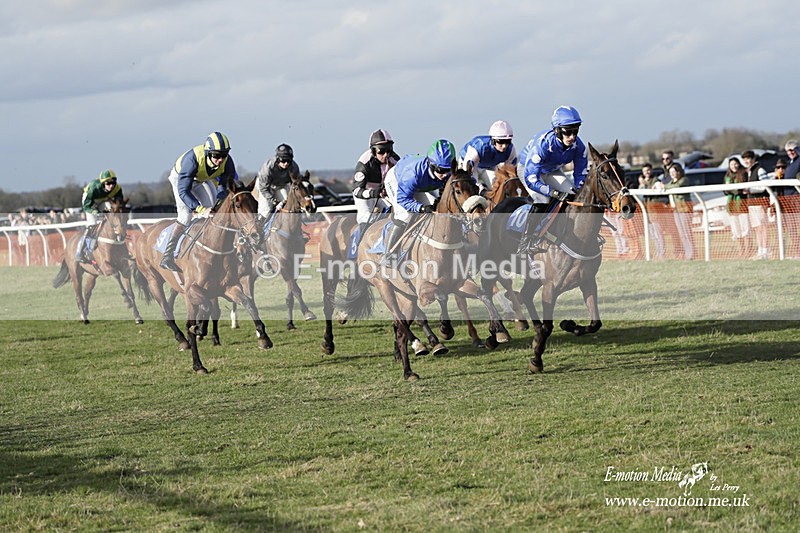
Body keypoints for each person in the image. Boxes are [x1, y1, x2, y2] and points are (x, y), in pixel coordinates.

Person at [160, 131, 238, 271]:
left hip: (202, 179)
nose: (220, 159)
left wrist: (219, 200)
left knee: (214, 211)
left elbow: (224, 185)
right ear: (208, 153)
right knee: (185, 216)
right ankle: (168, 255)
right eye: (216, 156)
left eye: (224, 155)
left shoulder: (227, 161)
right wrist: (200, 209)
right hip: (181, 180)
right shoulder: (192, 160)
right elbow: (184, 191)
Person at [516, 105, 588, 254]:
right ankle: (526, 241)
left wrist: (579, 190)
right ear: (557, 130)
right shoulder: (542, 145)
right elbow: (531, 179)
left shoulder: (578, 146)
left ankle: (563, 233)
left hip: (552, 170)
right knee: (542, 199)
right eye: (568, 132)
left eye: (575, 131)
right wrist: (552, 192)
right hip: (529, 171)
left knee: (573, 195)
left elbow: (580, 175)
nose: (572, 136)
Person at [381, 139, 457, 264]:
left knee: (436, 209)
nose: (445, 175)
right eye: (441, 170)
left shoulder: (446, 172)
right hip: (397, 181)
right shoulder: (412, 175)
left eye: (447, 170)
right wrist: (421, 208)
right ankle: (389, 254)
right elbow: (403, 199)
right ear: (432, 165)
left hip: (422, 184)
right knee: (405, 215)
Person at [351, 129, 399, 242]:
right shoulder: (364, 163)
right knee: (367, 218)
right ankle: (360, 249)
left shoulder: (395, 159)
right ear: (373, 151)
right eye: (381, 151)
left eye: (389, 150)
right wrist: (373, 193)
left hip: (383, 194)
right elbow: (357, 191)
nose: (386, 155)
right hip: (365, 195)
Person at [458, 120, 518, 193]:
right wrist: (480, 188)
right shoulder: (479, 146)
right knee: (471, 189)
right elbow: (468, 173)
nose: (504, 146)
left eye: (508, 141)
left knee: (500, 189)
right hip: (468, 167)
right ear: (493, 140)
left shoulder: (511, 150)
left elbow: (509, 173)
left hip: (488, 167)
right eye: (501, 141)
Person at [78, 169, 124, 263]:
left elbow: (119, 204)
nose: (111, 186)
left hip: (103, 200)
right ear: (103, 183)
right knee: (92, 224)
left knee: (111, 210)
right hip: (90, 202)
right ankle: (81, 251)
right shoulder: (94, 188)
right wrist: (95, 212)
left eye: (113, 183)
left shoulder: (117, 188)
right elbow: (86, 206)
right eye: (108, 183)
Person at [255, 143, 302, 221]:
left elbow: (296, 184)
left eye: (288, 161)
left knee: (287, 205)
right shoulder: (267, 167)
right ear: (278, 158)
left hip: (281, 185)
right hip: (266, 186)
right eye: (283, 160)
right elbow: (263, 188)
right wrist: (274, 201)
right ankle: (260, 228)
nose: (286, 163)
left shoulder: (294, 167)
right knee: (266, 210)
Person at [741, 150, 770, 259]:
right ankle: (760, 250)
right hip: (751, 204)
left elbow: (765, 186)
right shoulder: (748, 172)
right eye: (744, 159)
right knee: (757, 228)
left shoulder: (760, 170)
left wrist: (750, 190)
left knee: (763, 227)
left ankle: (765, 250)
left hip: (759, 203)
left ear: (753, 159)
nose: (746, 161)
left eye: (748, 158)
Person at [664, 162, 694, 260]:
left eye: (674, 171)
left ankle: (692, 253)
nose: (672, 174)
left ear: (678, 172)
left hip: (685, 209)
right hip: (676, 210)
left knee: (687, 232)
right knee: (681, 233)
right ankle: (687, 253)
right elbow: (667, 185)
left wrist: (664, 186)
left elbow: (676, 187)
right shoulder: (671, 183)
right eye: (670, 172)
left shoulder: (684, 180)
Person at [722, 156, 750, 257]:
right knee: (736, 230)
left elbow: (742, 190)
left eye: (735, 163)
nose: (734, 166)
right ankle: (740, 251)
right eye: (732, 164)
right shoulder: (727, 176)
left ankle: (748, 250)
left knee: (745, 229)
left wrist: (735, 190)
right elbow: (725, 190)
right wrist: (732, 190)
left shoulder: (743, 174)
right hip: (732, 206)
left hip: (742, 205)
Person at [639, 163, 666, 259]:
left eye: (648, 170)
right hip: (646, 212)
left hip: (655, 212)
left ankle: (662, 253)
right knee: (652, 235)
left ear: (652, 170)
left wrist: (644, 183)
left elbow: (654, 189)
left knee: (658, 233)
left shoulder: (656, 180)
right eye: (645, 171)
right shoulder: (642, 182)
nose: (647, 172)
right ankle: (658, 252)